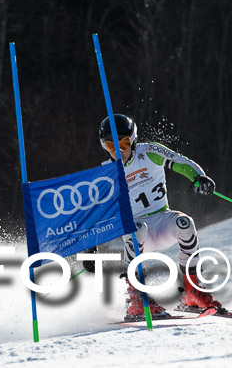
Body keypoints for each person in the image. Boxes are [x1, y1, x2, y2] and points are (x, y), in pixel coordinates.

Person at [83, 113, 223, 320]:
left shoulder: (148, 152)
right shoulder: (106, 173)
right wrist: (90, 246)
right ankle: (137, 298)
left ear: (133, 139)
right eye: (112, 146)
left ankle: (192, 292)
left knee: (185, 223)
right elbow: (95, 211)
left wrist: (198, 178)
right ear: (104, 146)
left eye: (124, 143)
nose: (119, 151)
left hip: (161, 219)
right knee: (137, 228)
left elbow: (181, 162)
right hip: (137, 233)